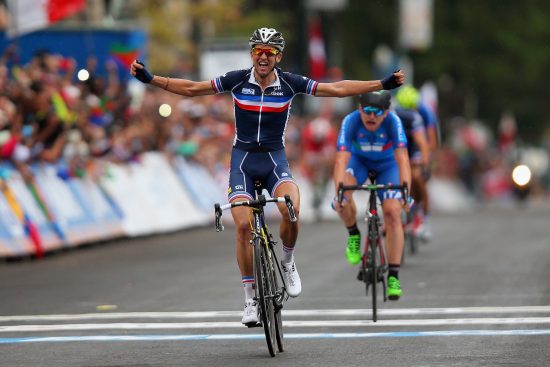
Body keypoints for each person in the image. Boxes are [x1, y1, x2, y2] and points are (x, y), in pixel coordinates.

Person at [131, 27, 405, 324]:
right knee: (242, 228)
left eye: (270, 52)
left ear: (278, 57)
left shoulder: (290, 83)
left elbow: (335, 89)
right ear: (252, 54)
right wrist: (151, 79)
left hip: (274, 160)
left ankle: (286, 261)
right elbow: (193, 89)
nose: (263, 56)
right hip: (243, 162)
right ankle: (250, 298)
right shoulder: (236, 80)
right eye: (258, 51)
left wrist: (382, 83)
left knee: (292, 207)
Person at [332, 91, 410, 300]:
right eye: (367, 110)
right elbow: (341, 159)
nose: (372, 116)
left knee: (393, 212)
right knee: (343, 194)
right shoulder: (350, 121)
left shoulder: (394, 121)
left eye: (377, 112)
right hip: (359, 163)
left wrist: (406, 192)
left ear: (385, 113)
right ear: (360, 110)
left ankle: (393, 276)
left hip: (388, 166)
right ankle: (353, 234)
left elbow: (402, 158)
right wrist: (339, 191)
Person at [395, 85, 440, 240]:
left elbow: (430, 143)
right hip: (402, 146)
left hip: (419, 146)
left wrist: (424, 164)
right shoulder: (395, 113)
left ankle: (424, 218)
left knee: (417, 177)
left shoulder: (426, 113)